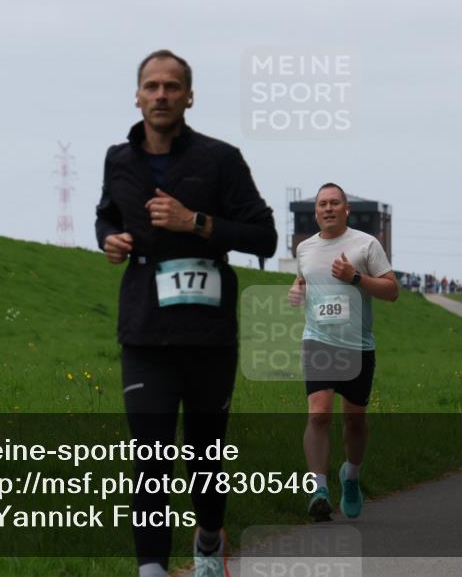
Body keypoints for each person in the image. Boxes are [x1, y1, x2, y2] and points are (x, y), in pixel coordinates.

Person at [96, 50, 277, 577]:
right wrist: (109, 239)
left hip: (207, 331)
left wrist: (194, 221)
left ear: (188, 97)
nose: (160, 95)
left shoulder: (221, 159)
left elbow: (263, 236)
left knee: (203, 457)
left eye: (171, 87)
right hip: (145, 329)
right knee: (150, 456)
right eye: (151, 86)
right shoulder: (118, 159)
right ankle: (151, 568)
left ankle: (208, 538)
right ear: (137, 95)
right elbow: (106, 212)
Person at [288, 183, 398, 522]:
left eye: (335, 203)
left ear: (346, 209)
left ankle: (350, 477)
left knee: (354, 420)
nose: (328, 208)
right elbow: (304, 279)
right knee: (318, 414)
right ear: (316, 211)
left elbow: (392, 290)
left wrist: (355, 278)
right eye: (322, 204)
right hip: (318, 340)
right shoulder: (305, 248)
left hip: (357, 346)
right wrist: (297, 289)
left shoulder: (366, 244)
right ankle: (319, 489)